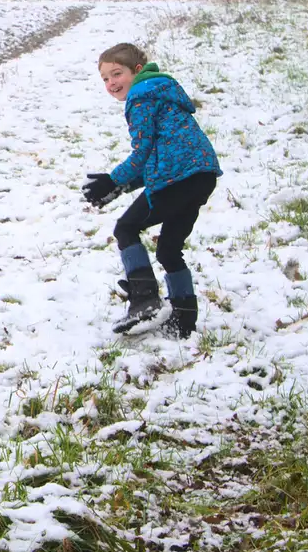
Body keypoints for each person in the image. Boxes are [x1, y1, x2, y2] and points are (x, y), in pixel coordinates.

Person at [83, 43, 222, 338]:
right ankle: (183, 323)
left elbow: (142, 153)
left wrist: (112, 179)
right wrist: (122, 186)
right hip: (199, 176)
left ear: (136, 71)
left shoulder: (141, 97)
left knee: (126, 229)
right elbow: (161, 156)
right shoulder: (161, 92)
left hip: (179, 179)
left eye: (116, 74)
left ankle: (144, 299)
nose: (111, 84)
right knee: (169, 250)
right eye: (105, 79)